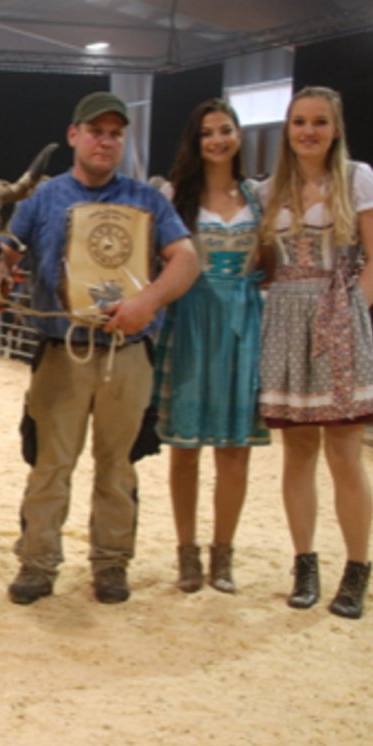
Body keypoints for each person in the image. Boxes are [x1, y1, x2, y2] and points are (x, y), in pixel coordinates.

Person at [0, 91, 199, 605]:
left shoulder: (148, 201)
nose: (105, 141)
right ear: (74, 136)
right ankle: (38, 563)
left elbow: (186, 260)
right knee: (50, 465)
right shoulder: (41, 200)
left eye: (114, 133)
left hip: (126, 353)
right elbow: (5, 252)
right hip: (61, 350)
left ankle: (112, 564)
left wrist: (147, 303)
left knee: (118, 465)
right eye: (95, 131)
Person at [256, 85, 373, 620]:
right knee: (297, 454)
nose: (308, 131)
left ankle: (356, 569)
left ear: (335, 129)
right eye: (298, 122)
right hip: (285, 318)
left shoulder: (358, 180)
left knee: (345, 455)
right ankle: (304, 563)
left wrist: (351, 314)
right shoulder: (270, 190)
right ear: (287, 130)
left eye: (318, 122)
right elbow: (263, 262)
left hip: (338, 317)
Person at [150, 99, 268, 594]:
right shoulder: (175, 196)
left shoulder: (260, 196)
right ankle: (187, 552)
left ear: (238, 136)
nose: (217, 140)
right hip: (190, 317)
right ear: (194, 142)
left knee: (235, 447)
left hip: (243, 319)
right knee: (186, 446)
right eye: (206, 133)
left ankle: (224, 553)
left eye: (225, 130)